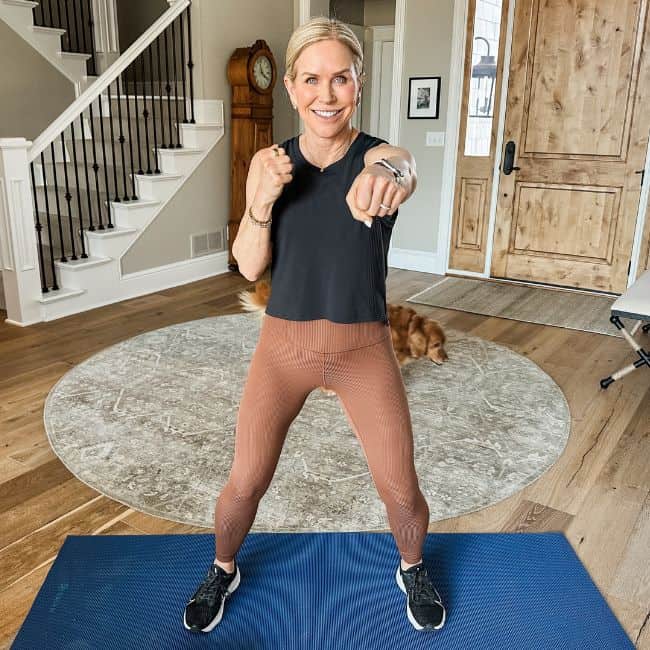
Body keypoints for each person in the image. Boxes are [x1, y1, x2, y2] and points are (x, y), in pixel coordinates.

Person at [183, 16, 446, 634]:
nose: (326, 95)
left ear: (359, 83)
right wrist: (258, 202)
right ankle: (223, 568)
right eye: (311, 79)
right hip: (283, 349)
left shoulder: (377, 157)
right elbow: (248, 263)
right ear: (293, 88)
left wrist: (389, 176)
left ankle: (411, 567)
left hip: (363, 350)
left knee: (401, 490)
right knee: (245, 482)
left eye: (341, 79)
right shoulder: (269, 165)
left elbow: (404, 166)